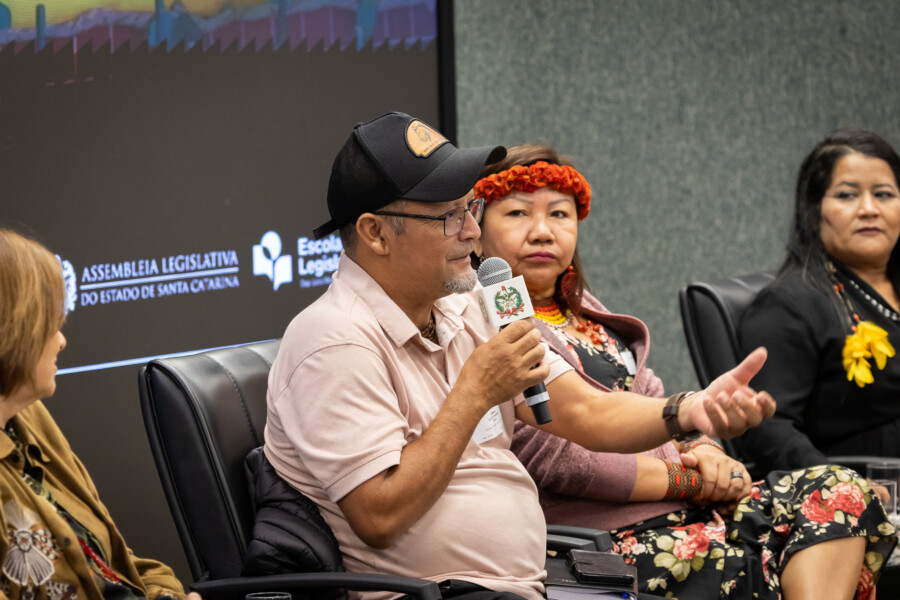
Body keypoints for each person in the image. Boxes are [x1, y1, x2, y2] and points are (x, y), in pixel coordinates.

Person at [263, 112, 778, 600]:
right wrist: (474, 394)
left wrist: (688, 410)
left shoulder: (473, 299)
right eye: (448, 217)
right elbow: (379, 516)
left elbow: (587, 411)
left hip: (533, 583)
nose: (471, 231)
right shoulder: (333, 341)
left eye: (470, 208)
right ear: (375, 233)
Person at [471, 143, 897, 600]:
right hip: (597, 542)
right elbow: (563, 460)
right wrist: (694, 482)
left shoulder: (592, 319)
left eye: (559, 214)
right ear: (475, 231)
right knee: (765, 561)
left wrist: (708, 450)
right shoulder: (485, 321)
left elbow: (660, 404)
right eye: (517, 213)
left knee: (841, 492)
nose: (542, 231)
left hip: (687, 515)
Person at [0, 228, 200, 600]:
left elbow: (113, 561)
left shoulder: (29, 417)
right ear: (13, 332)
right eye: (50, 325)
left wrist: (165, 595)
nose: (62, 340)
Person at [736, 130, 900, 473]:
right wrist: (845, 487)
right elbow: (768, 427)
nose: (869, 209)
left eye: (884, 194)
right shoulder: (789, 305)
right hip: (864, 490)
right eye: (847, 195)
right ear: (813, 212)